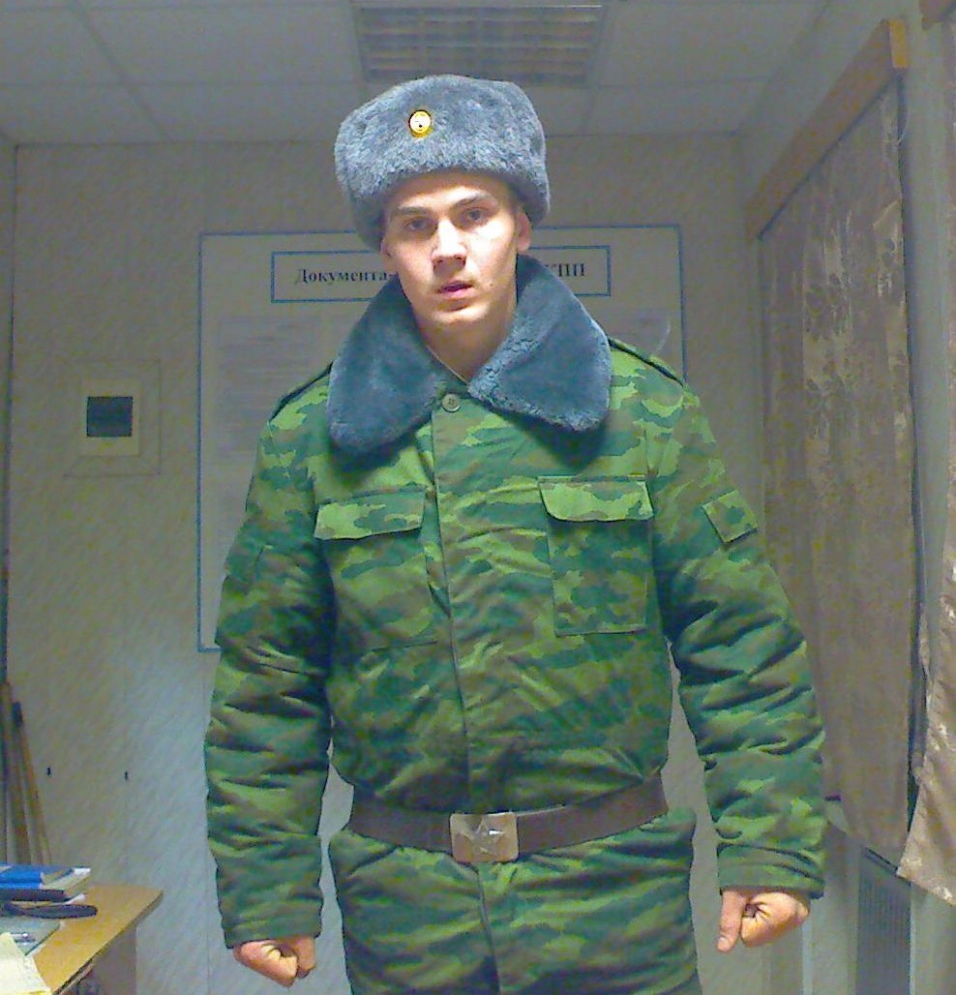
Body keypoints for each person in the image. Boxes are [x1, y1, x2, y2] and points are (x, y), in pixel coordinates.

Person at [205, 74, 826, 994]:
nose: (448, 249)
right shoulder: (312, 439)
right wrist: (266, 888)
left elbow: (739, 643)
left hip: (612, 904)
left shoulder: (641, 412)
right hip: (410, 914)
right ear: (385, 246)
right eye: (415, 225)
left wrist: (771, 842)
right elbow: (268, 685)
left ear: (522, 226)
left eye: (474, 214)